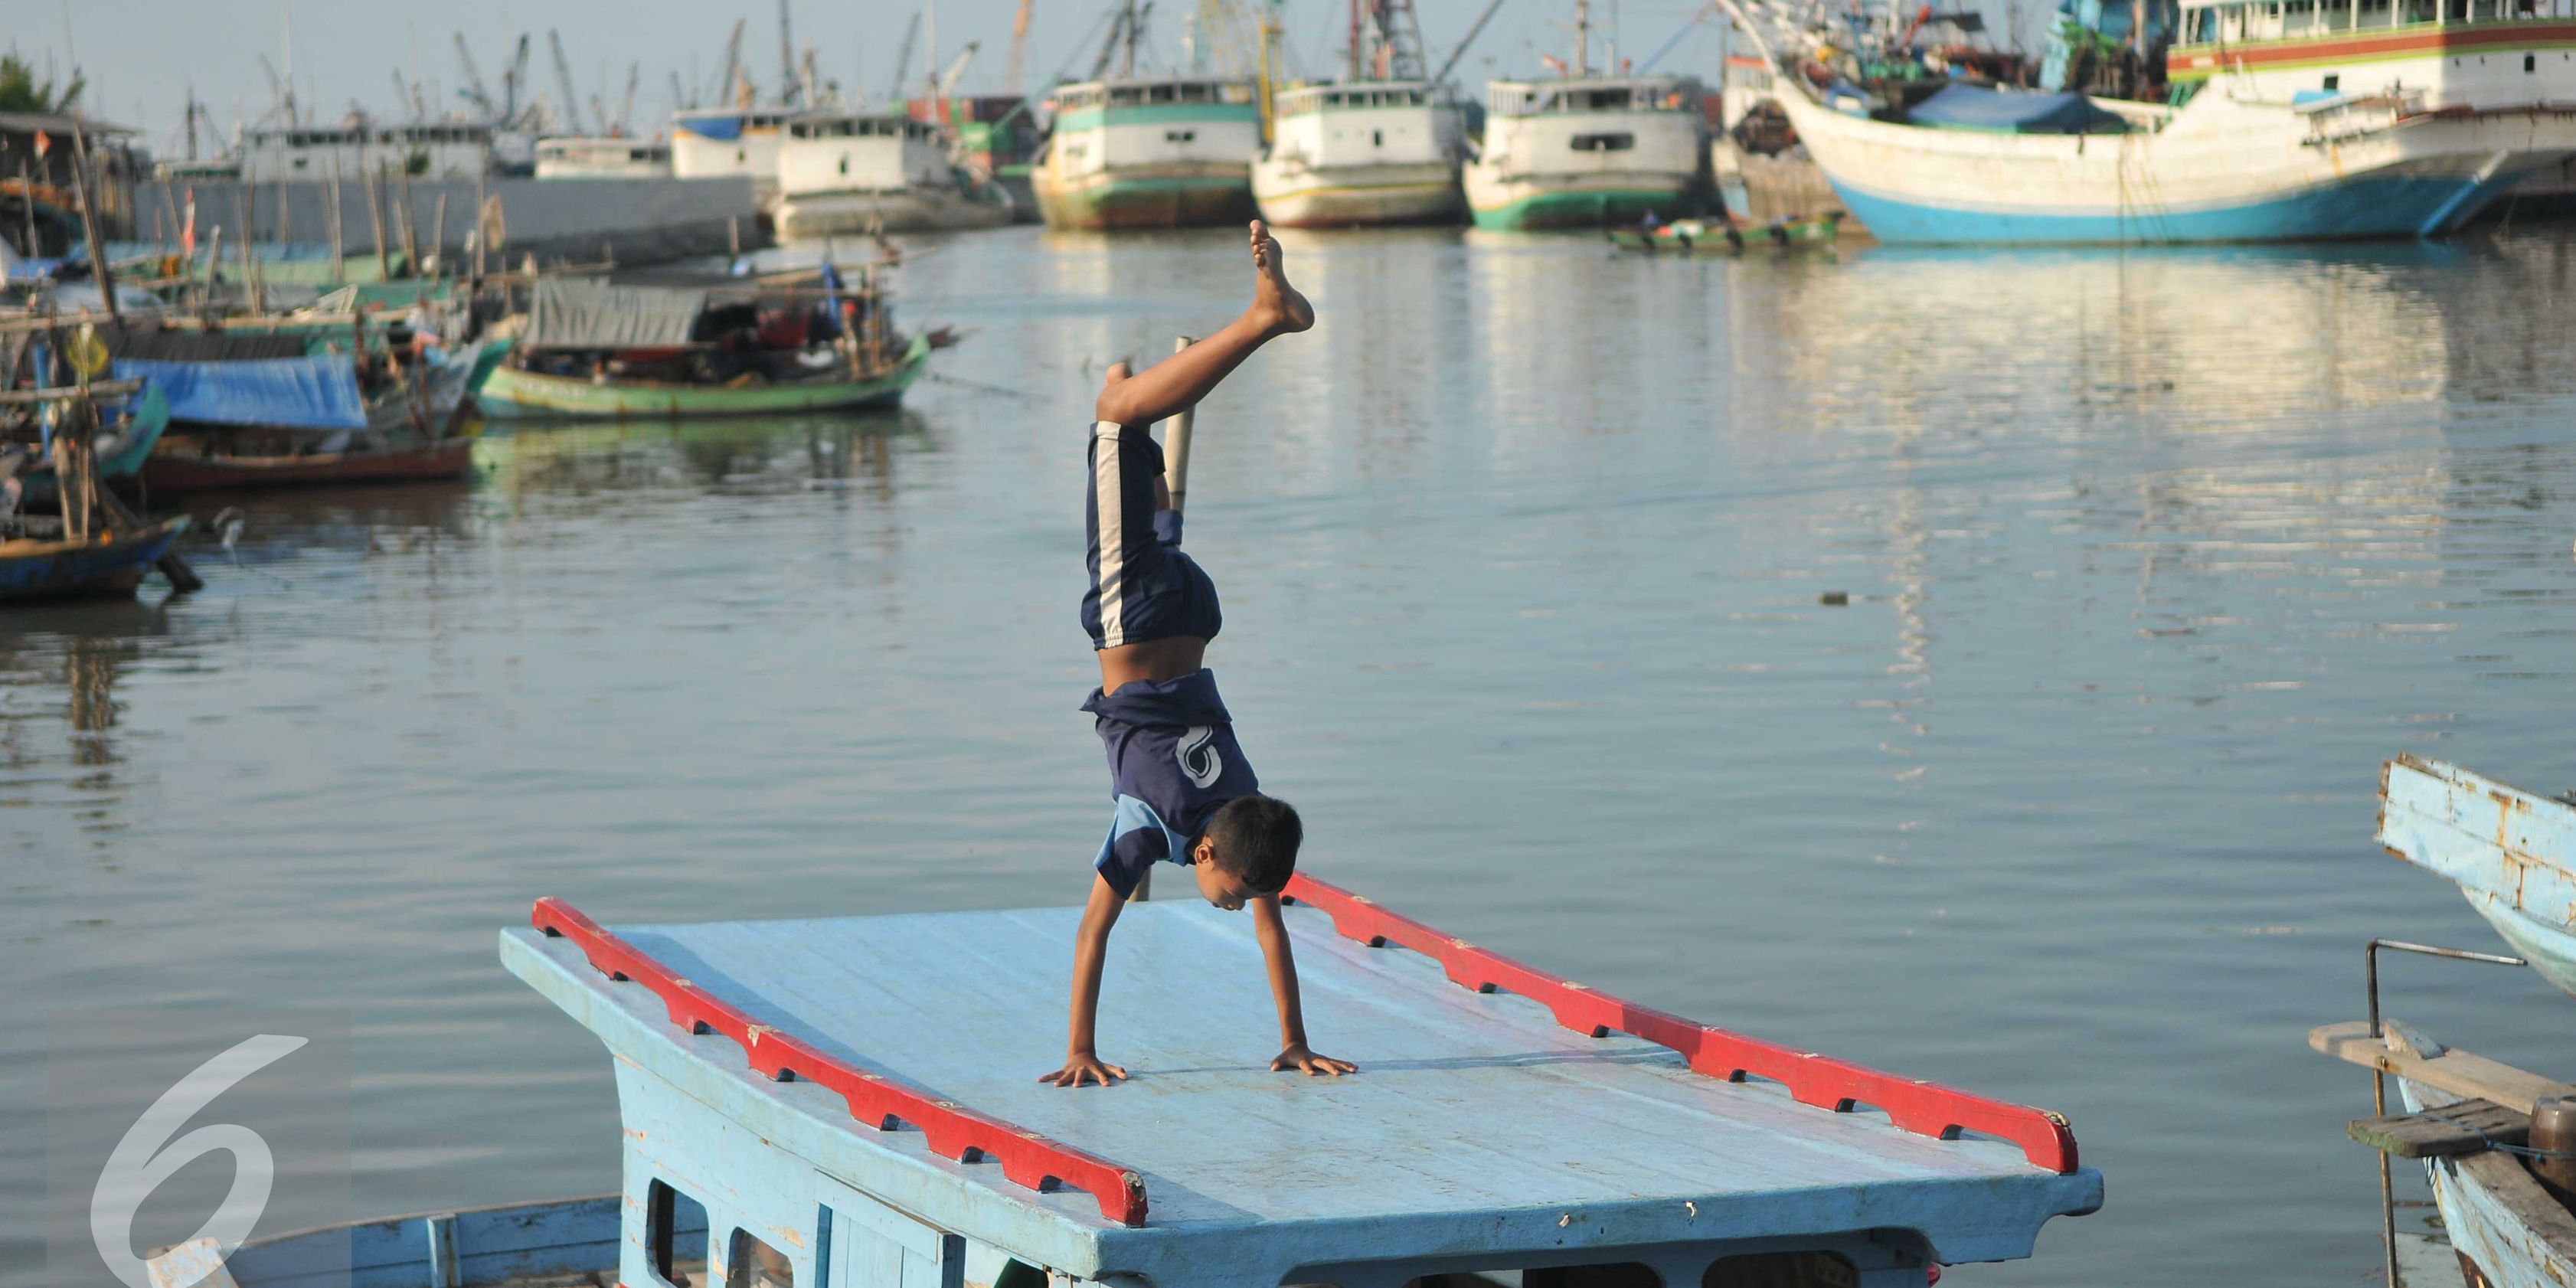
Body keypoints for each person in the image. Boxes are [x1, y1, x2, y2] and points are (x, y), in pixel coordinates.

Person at [1040, 221, 1358, 1090]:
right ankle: (1264, 316)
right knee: (1114, 421)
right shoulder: (1152, 827)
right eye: (1226, 892)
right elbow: (1092, 930)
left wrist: (1294, 1039)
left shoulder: (1244, 806)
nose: (1230, 904)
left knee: (1131, 444)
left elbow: (1273, 926)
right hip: (1135, 622)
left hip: (1193, 610)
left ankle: (1129, 387)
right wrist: (1079, 1049)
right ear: (1209, 856)